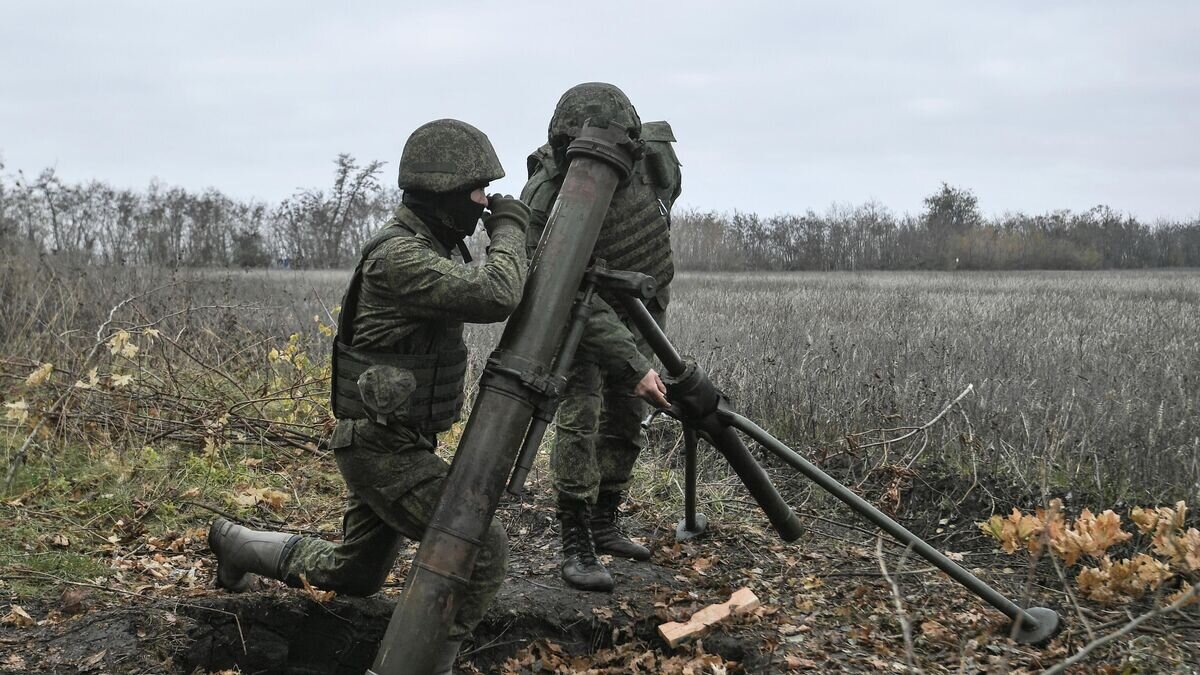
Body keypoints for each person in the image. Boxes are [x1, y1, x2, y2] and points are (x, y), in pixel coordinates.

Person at [521, 83, 682, 592]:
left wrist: (639, 355)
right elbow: (558, 290)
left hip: (638, 313)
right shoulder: (547, 195)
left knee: (626, 419)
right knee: (580, 420)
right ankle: (576, 543)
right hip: (576, 324)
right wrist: (634, 367)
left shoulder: (655, 166)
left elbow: (654, 225)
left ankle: (606, 523)